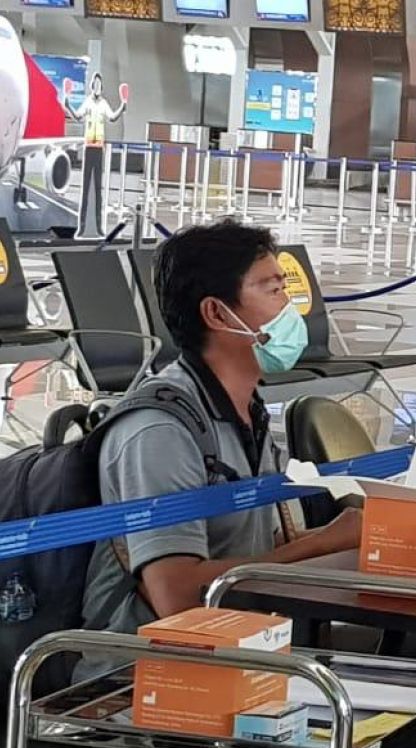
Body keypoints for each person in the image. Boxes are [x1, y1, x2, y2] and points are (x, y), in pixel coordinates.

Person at [80, 221, 362, 658]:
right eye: (271, 290)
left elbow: (252, 549)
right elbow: (177, 599)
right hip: (146, 674)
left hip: (242, 648)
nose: (289, 307)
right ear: (216, 314)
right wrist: (325, 542)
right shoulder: (160, 431)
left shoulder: (242, 410)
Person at [61, 73, 128, 238]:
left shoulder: (103, 103)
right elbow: (77, 117)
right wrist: (68, 105)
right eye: (95, 84)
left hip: (99, 148)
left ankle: (98, 227)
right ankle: (82, 227)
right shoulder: (88, 102)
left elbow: (112, 118)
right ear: (92, 86)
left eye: (100, 84)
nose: (97, 87)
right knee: (85, 188)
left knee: (98, 188)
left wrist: (122, 106)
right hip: (88, 147)